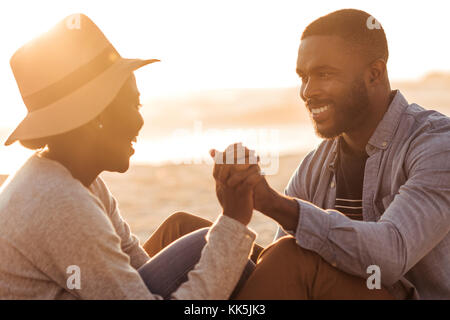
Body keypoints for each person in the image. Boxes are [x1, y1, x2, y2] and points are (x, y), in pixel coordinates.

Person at [162, 9, 450, 300]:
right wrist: (238, 201)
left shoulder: (436, 144)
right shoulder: (316, 164)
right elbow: (275, 263)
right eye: (304, 77)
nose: (308, 91)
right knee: (184, 231)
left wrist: (276, 205)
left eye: (324, 74)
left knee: (292, 257)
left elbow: (390, 256)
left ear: (374, 74)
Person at [0, 14, 262, 299]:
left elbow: (137, 270)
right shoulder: (61, 202)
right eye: (133, 104)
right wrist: (234, 221)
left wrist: (228, 232)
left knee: (209, 248)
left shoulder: (76, 182)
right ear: (96, 116)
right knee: (210, 246)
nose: (140, 121)